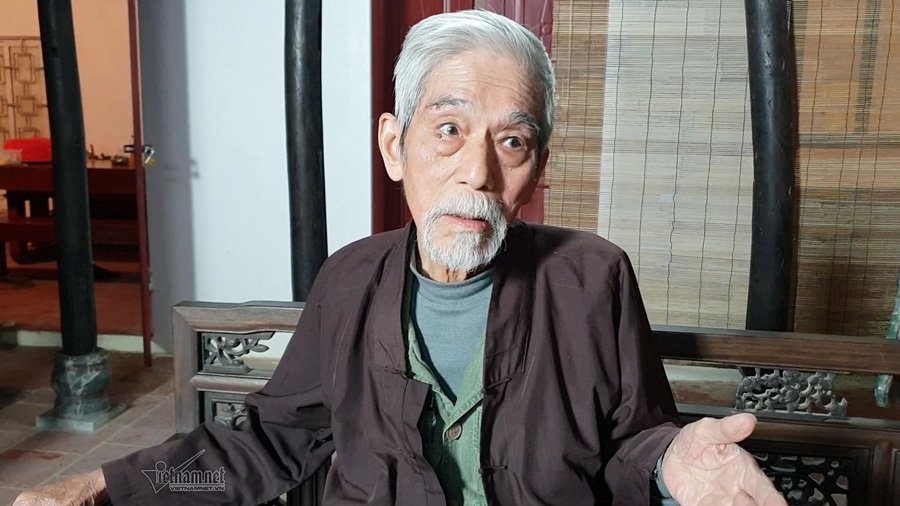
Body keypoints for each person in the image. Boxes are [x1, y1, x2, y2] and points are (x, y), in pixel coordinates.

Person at [15, 10, 787, 506]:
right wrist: (102, 483)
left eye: (512, 140)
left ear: (538, 168)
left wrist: (672, 459)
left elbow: (634, 440)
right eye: (449, 129)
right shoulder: (350, 280)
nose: (477, 171)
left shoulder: (593, 278)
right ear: (395, 145)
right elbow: (271, 439)